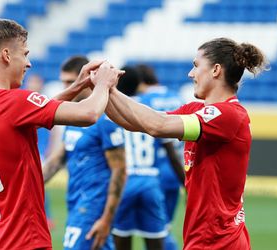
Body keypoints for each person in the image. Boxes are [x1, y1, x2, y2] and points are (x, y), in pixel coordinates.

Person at [0, 18, 122, 250]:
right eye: (24, 54)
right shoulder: (15, 102)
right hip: (23, 239)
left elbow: (28, 114)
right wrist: (104, 83)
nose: (29, 63)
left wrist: (76, 87)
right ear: (6, 55)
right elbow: (89, 114)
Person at [104, 38, 268, 249]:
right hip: (204, 238)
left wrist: (111, 89)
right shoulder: (195, 110)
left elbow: (157, 126)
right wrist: (103, 91)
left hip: (220, 241)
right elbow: (135, 123)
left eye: (196, 65)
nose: (191, 74)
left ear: (216, 70)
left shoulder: (229, 115)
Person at [42, 56, 127, 250]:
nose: (67, 88)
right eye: (63, 82)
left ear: (90, 79)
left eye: (70, 82)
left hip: (92, 207)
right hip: (75, 202)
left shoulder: (104, 120)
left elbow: (120, 170)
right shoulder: (73, 119)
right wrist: (27, 186)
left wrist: (106, 219)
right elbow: (57, 160)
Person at [111, 66, 168, 250]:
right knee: (156, 241)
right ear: (139, 85)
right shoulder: (150, 109)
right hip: (150, 179)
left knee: (121, 239)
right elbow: (170, 149)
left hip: (124, 181)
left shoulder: (113, 110)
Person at [134, 64, 185, 250]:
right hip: (176, 171)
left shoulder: (143, 101)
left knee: (155, 230)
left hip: (153, 172)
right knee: (165, 226)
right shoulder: (178, 98)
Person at [25, 73, 55, 229]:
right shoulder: (23, 100)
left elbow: (53, 128)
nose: (34, 85)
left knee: (39, 183)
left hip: (40, 150)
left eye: (36, 82)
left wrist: (50, 147)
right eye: (32, 82)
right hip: (26, 149)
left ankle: (45, 216)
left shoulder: (43, 102)